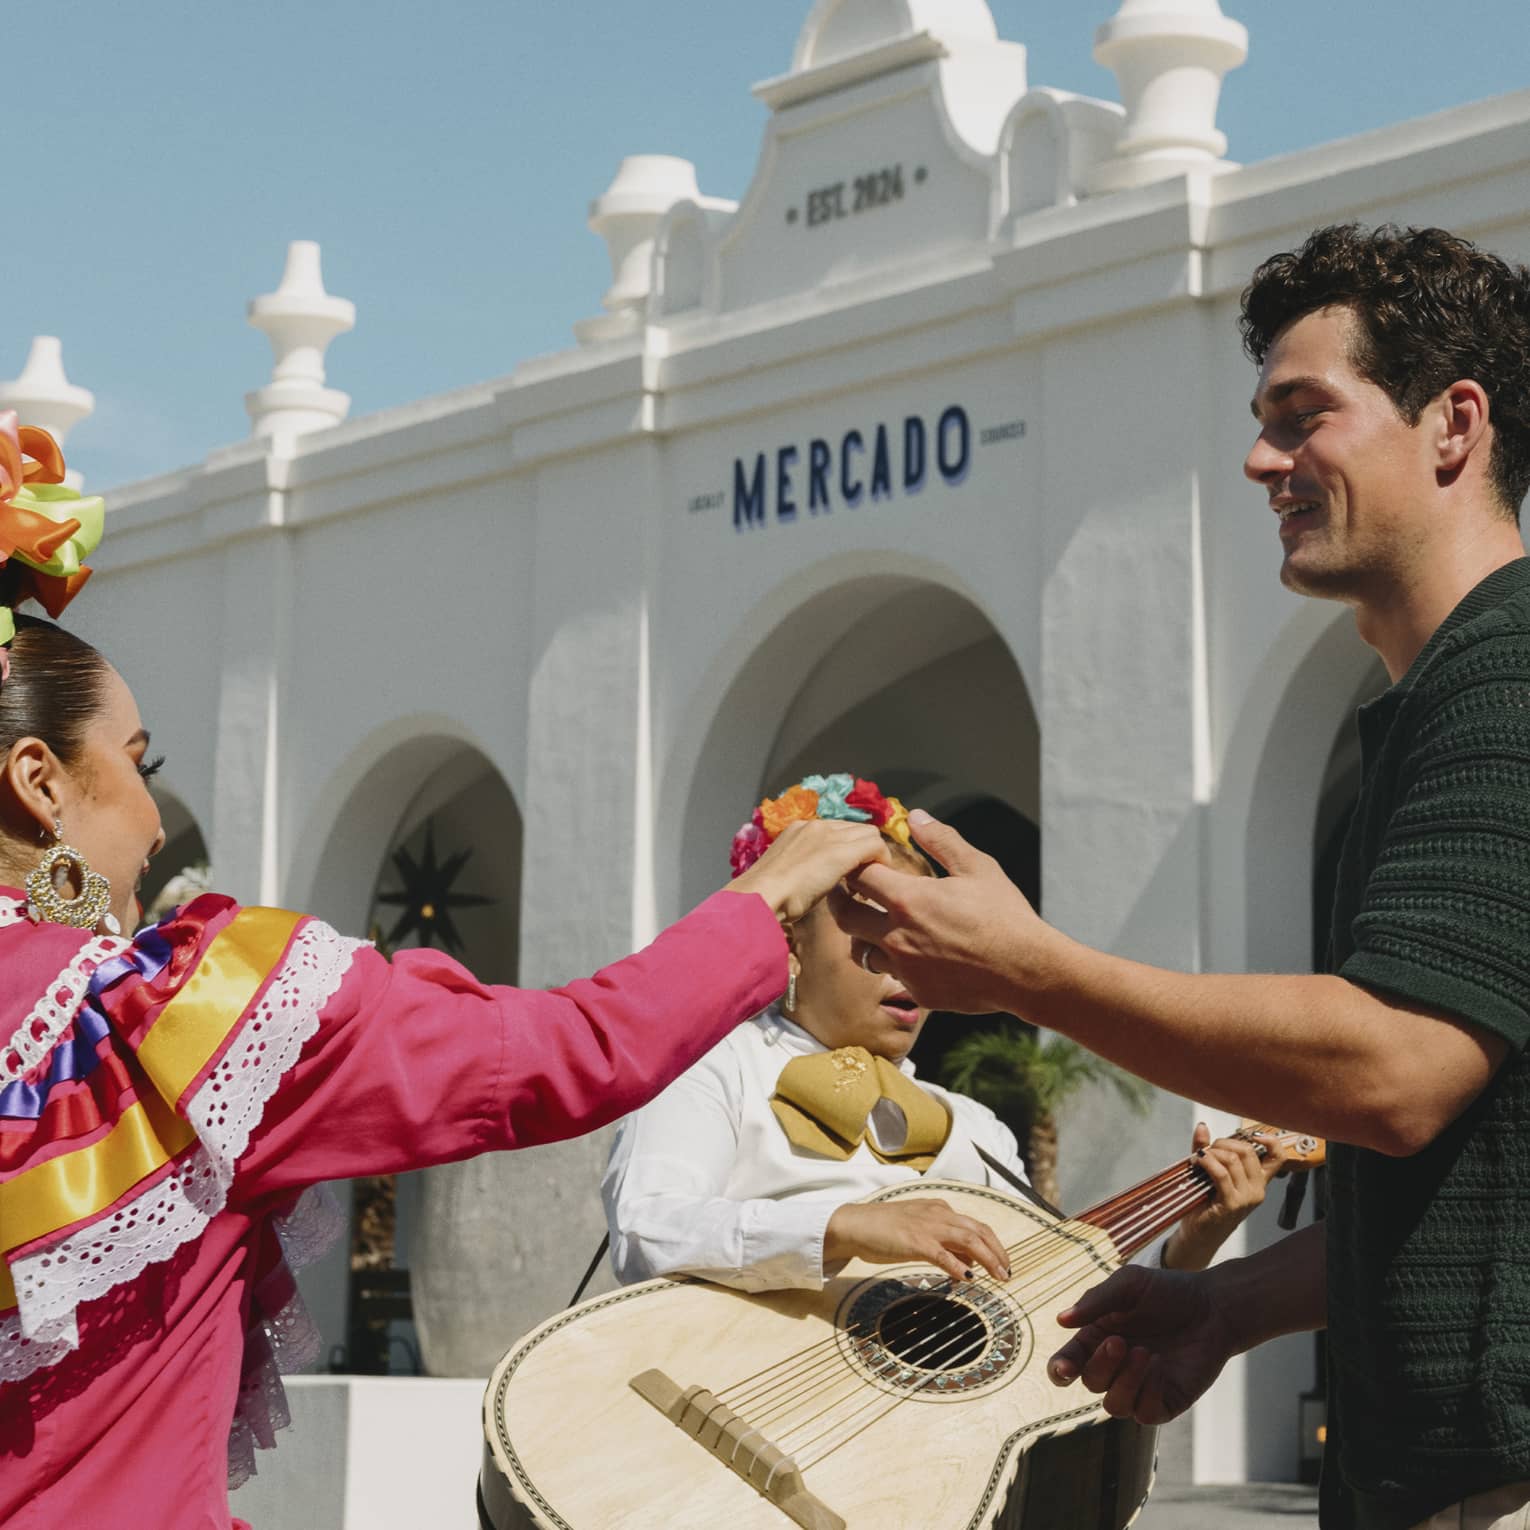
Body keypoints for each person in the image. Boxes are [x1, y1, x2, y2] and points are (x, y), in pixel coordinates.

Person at [0, 415, 890, 1530]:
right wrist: (766, 901)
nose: (150, 816)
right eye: (140, 765)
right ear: (40, 781)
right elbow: (565, 1054)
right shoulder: (186, 1017)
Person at [829, 224, 1530, 1530]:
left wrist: (1028, 967)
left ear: (1454, 425)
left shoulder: (1504, 677)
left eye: (1302, 415)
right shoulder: (1438, 702)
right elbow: (1469, 1194)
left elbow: (1396, 1072)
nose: (1262, 459)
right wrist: (1226, 1304)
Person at [605, 773, 1285, 1297]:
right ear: (789, 944)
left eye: (915, 933)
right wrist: (844, 1225)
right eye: (870, 926)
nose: (899, 952)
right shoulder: (711, 1067)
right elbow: (647, 1230)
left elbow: (1048, 1298)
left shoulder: (974, 1129)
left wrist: (1188, 1245)